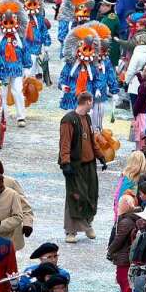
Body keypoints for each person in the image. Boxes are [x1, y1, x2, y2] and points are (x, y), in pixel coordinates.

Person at [58, 91, 101, 243]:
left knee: (90, 195)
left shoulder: (87, 118)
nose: (93, 105)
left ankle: (88, 224)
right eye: (92, 102)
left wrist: (100, 156)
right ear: (88, 101)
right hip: (74, 165)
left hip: (89, 165)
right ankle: (71, 231)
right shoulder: (68, 120)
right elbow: (65, 143)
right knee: (75, 196)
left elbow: (91, 140)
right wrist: (65, 162)